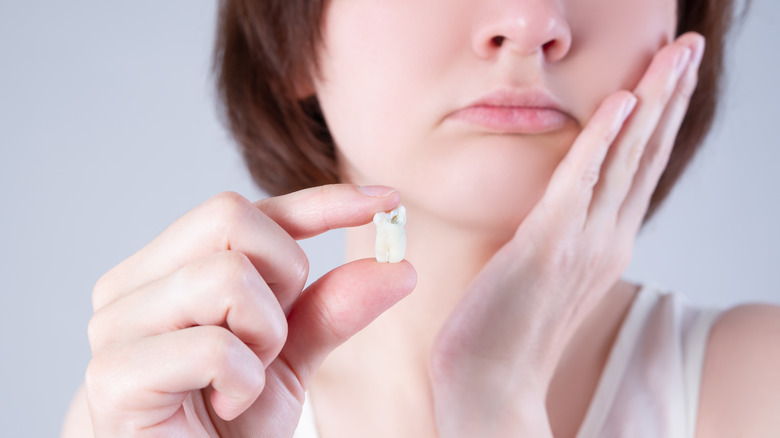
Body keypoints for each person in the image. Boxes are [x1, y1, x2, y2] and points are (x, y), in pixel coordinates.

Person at [62, 0, 780, 436]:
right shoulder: (171, 411)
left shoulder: (761, 389)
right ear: (293, 42)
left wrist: (493, 398)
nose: (530, 25)